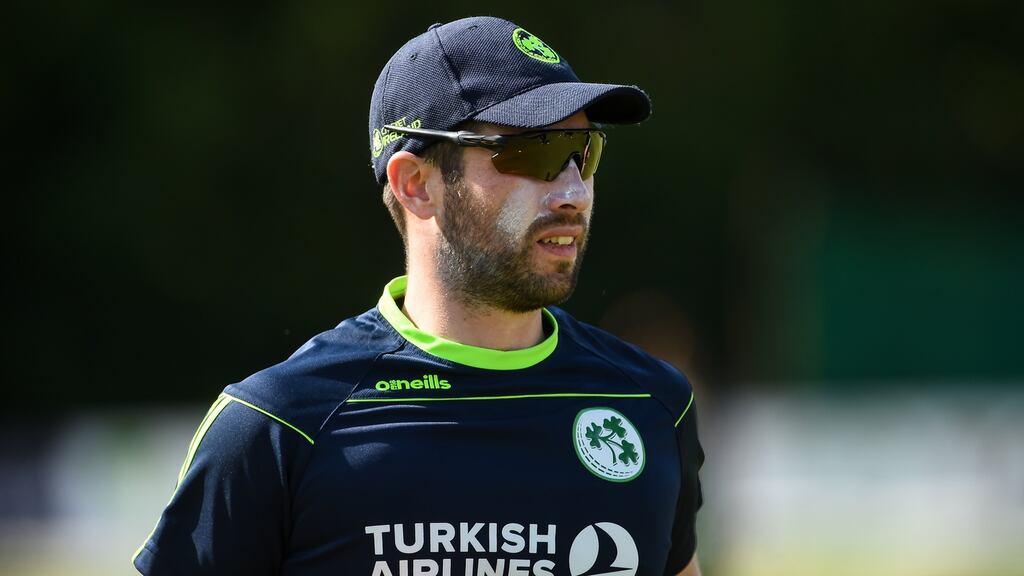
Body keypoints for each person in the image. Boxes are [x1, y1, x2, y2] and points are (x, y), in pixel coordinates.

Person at [133, 15, 704, 576]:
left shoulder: (653, 404)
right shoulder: (278, 426)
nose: (574, 192)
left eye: (585, 151)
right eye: (536, 152)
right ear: (415, 185)